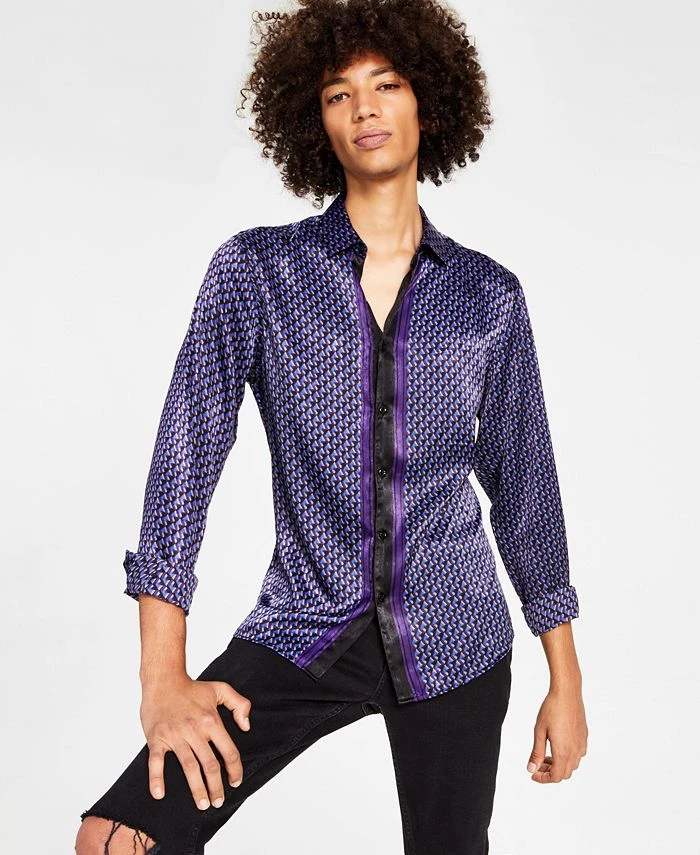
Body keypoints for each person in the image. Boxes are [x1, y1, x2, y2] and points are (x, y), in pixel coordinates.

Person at [75, 1, 588, 853]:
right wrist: (162, 676)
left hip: (456, 638)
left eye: (387, 85)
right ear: (313, 122)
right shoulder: (257, 273)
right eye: (338, 94)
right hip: (308, 625)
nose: (365, 108)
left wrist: (564, 679)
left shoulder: (488, 297)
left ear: (430, 103)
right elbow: (184, 461)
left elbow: (526, 490)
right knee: (116, 838)